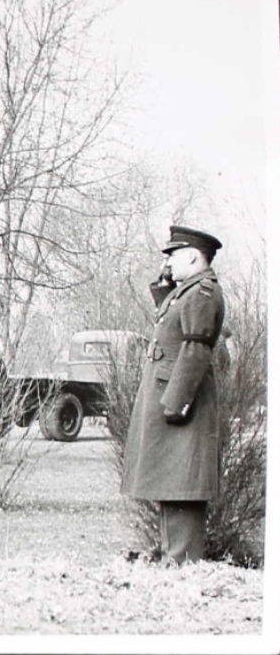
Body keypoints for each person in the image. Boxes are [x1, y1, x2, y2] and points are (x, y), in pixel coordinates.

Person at [121, 225, 226, 565]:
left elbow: (196, 350)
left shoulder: (202, 293)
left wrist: (176, 403)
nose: (168, 262)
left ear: (194, 256)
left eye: (174, 256)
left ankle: (181, 563)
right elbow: (170, 320)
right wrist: (164, 284)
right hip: (172, 398)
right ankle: (173, 559)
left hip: (182, 401)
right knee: (172, 481)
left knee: (184, 485)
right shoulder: (188, 291)